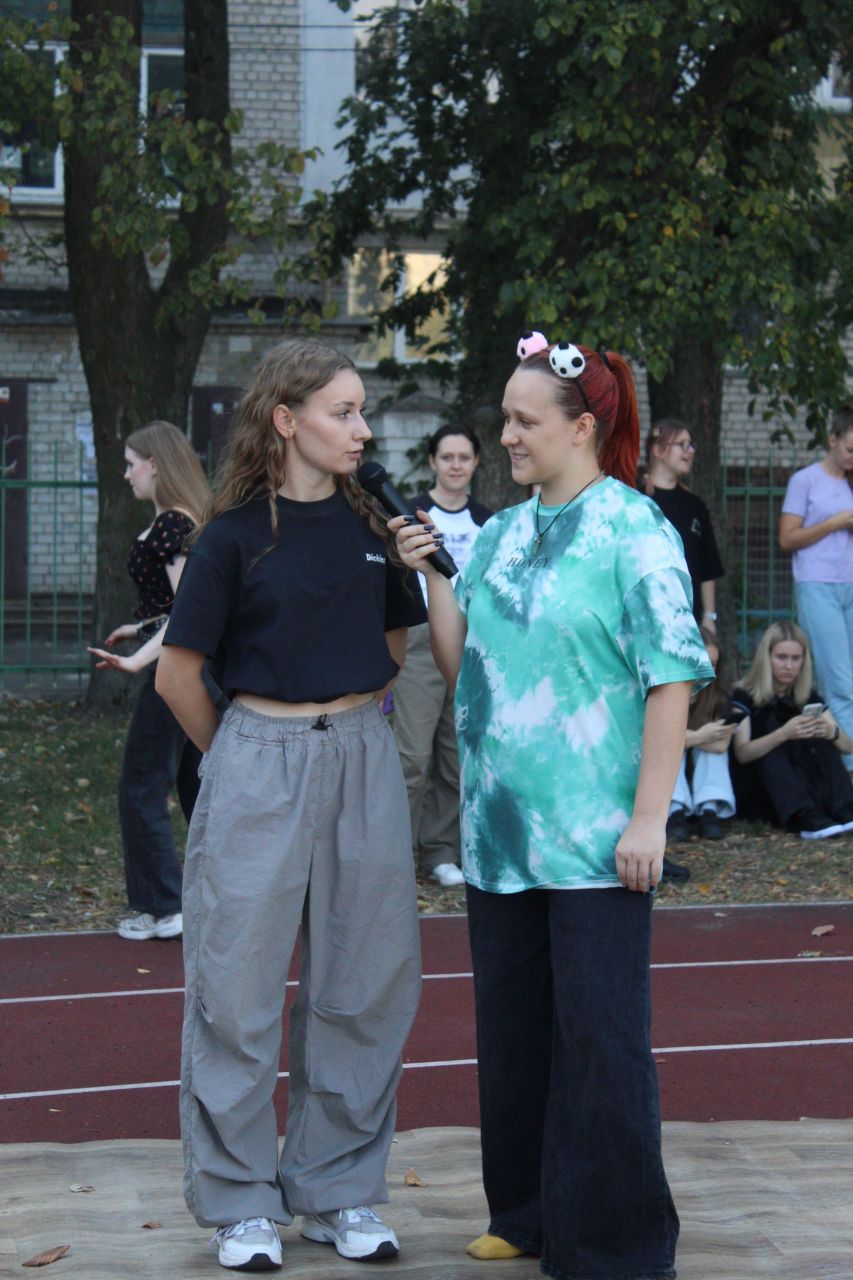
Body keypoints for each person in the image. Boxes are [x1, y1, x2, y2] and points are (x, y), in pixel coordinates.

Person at [393, 331, 714, 1280]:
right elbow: (466, 665)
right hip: (500, 836)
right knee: (514, 1036)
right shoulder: (500, 534)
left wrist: (649, 817)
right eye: (503, 419)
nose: (505, 436)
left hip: (595, 840)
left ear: (582, 428)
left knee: (601, 1042)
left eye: (522, 420)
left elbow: (671, 678)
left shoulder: (634, 530)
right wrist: (431, 574)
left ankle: (616, 1244)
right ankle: (526, 1214)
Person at [155, 338, 425, 1273]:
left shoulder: (371, 528)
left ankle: (336, 1189)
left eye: (361, 411)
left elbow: (393, 649)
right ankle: (238, 1202)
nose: (362, 429)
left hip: (362, 756)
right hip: (256, 759)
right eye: (343, 411)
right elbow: (179, 677)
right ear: (285, 420)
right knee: (235, 992)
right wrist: (240, 760)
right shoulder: (231, 536)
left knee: (363, 984)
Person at [87, 421, 210, 942]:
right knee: (196, 788)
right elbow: (173, 605)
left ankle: (164, 907)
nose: (126, 473)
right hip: (182, 665)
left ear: (155, 464)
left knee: (141, 786)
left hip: (176, 671)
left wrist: (139, 659)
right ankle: (212, 899)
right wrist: (137, 629)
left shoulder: (174, 525)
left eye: (131, 463)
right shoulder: (176, 522)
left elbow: (189, 611)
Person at [392, 424, 493, 888]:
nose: (456, 465)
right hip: (420, 640)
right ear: (432, 461)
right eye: (447, 457)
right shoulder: (412, 514)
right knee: (412, 756)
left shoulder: (488, 521)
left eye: (464, 457)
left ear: (475, 463)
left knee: (457, 757)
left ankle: (441, 850)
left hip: (470, 640)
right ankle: (397, 854)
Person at [779, 404, 853, 772]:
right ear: (832, 439)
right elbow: (787, 538)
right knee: (839, 681)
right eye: (850, 449)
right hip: (818, 584)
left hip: (850, 583)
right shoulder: (805, 480)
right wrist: (835, 522)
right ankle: (848, 767)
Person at [731, 620, 853, 839]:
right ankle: (804, 815)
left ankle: (842, 807)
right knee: (771, 740)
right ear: (766, 657)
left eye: (796, 658)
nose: (789, 666)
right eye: (781, 657)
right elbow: (742, 753)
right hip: (762, 788)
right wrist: (783, 734)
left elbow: (847, 747)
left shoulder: (807, 695)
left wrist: (831, 732)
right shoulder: (744, 695)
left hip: (800, 779)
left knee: (823, 737)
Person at [642, 418, 725, 632]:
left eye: (691, 445)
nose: (690, 452)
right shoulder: (635, 500)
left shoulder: (695, 506)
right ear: (658, 450)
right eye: (683, 445)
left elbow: (708, 566)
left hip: (687, 622)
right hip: (643, 619)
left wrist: (709, 617)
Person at [665, 627, 738, 868]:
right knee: (671, 748)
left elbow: (721, 744)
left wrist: (691, 739)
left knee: (708, 749)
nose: (707, 670)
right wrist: (699, 735)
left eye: (713, 664)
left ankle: (709, 809)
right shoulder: (664, 692)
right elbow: (656, 739)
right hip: (669, 775)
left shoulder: (717, 697)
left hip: (700, 769)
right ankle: (674, 811)